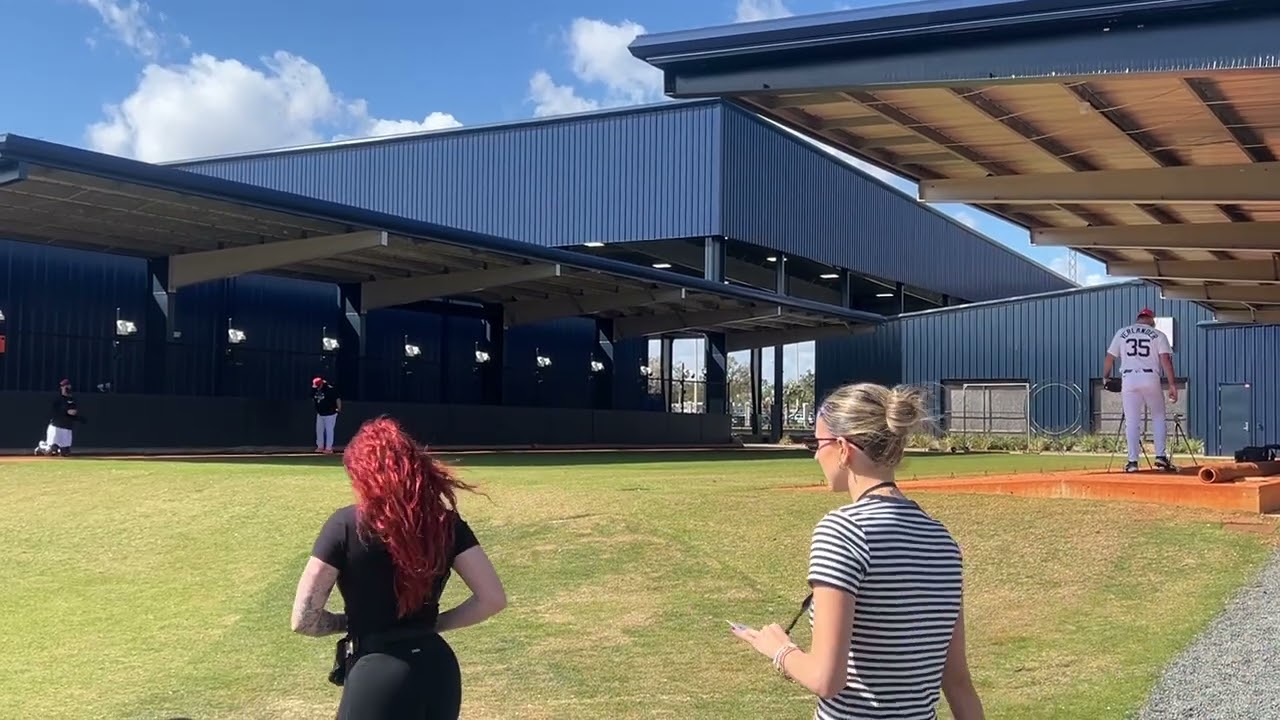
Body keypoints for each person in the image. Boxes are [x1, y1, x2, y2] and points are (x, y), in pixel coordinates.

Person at [731, 383, 984, 720]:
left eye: (817, 444)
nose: (816, 455)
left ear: (843, 449)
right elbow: (958, 683)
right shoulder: (942, 539)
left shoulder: (843, 531)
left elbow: (827, 679)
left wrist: (779, 649)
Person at [290, 416, 507, 720]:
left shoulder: (345, 525)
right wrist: (431, 626)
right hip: (438, 671)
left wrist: (347, 623)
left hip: (376, 672)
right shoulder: (446, 524)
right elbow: (493, 599)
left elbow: (303, 619)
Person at [1103, 308, 1178, 473]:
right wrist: (1172, 384)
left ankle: (1132, 462)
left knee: (1132, 421)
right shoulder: (1158, 334)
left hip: (1129, 378)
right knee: (1158, 416)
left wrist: (1105, 377)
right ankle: (1160, 457)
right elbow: (1165, 360)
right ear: (1151, 319)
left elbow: (1110, 357)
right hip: (1150, 377)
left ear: (1138, 318)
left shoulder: (1122, 332)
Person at [35, 379, 81, 457]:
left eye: (68, 385)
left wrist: (73, 412)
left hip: (67, 427)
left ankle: (60, 449)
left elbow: (74, 410)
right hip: (56, 426)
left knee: (65, 453)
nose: (67, 387)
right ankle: (42, 446)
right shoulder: (57, 398)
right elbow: (54, 411)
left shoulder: (72, 399)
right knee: (50, 451)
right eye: (65, 386)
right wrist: (66, 412)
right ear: (62, 387)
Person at [313, 376, 341, 454]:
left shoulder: (330, 389)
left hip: (330, 414)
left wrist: (339, 408)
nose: (317, 387)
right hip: (320, 413)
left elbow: (337, 399)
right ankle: (320, 447)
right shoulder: (315, 390)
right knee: (319, 430)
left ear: (322, 384)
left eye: (319, 385)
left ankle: (329, 448)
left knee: (329, 430)